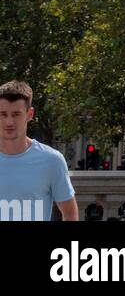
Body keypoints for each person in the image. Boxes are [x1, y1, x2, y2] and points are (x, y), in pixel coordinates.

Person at [0, 80, 78, 222]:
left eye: (16, 114)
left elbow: (70, 214)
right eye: (3, 114)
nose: (9, 122)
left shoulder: (52, 160)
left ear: (29, 114)